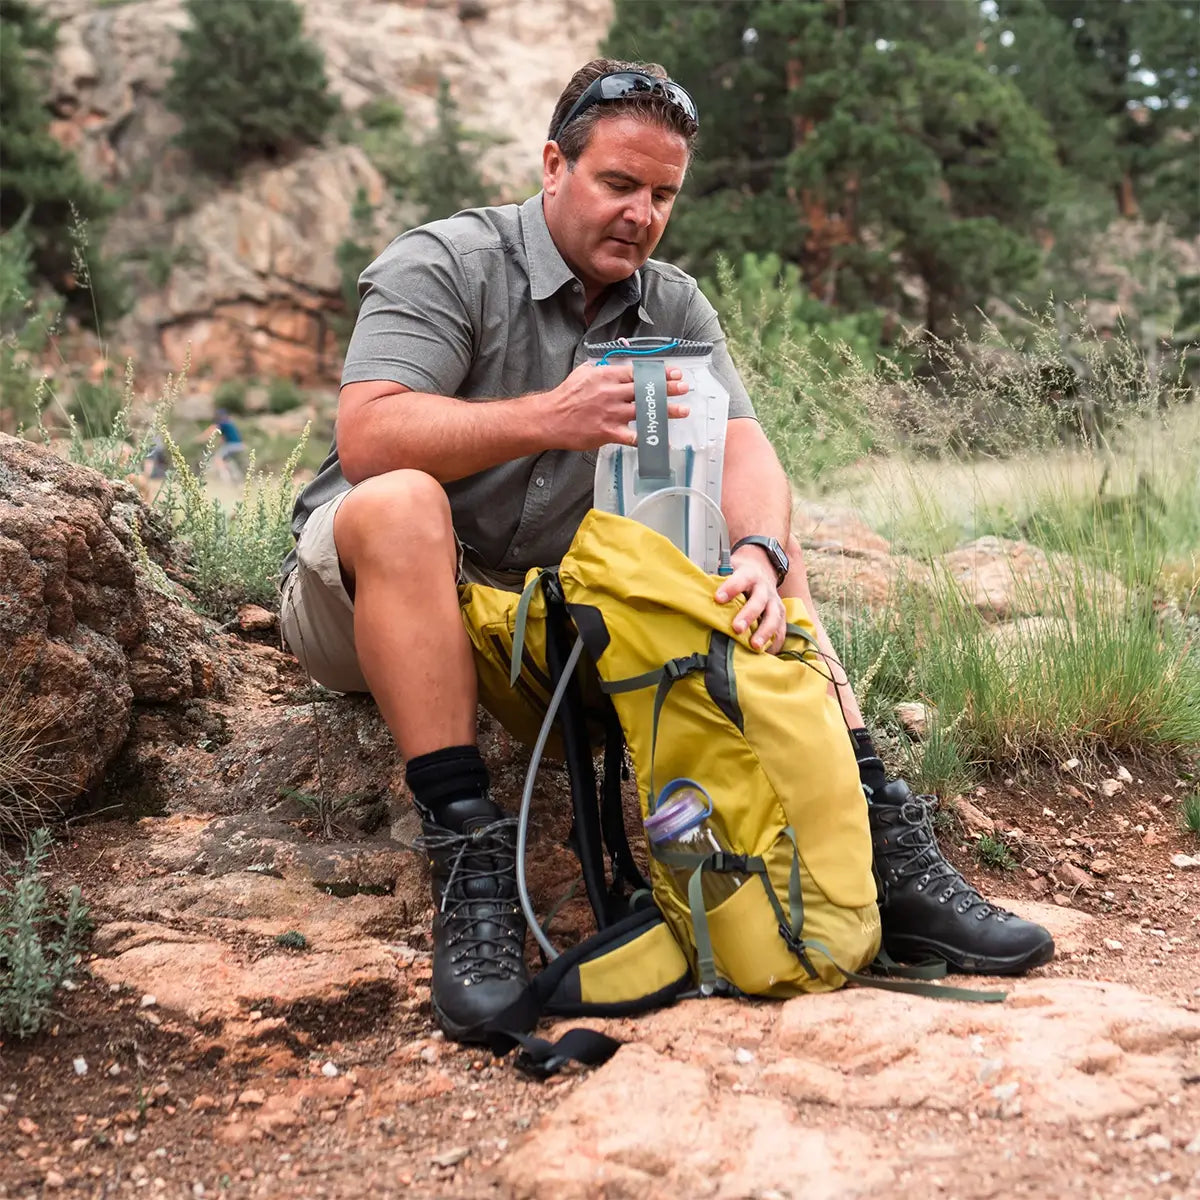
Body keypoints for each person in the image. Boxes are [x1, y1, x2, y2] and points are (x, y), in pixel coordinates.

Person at [279, 59, 1054, 1045]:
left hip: (534, 624)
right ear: (554, 164)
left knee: (765, 533)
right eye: (619, 185)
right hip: (371, 599)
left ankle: (876, 835)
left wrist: (763, 558)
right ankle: (469, 856)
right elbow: (369, 436)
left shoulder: (670, 304)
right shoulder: (447, 262)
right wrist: (547, 418)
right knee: (400, 503)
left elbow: (746, 453)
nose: (642, 214)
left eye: (663, 195)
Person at [200, 408, 246, 483]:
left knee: (218, 459)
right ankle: (237, 476)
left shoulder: (222, 423)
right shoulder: (230, 423)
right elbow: (225, 438)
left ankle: (226, 478)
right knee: (226, 460)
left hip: (232, 445)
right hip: (239, 445)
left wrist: (200, 439)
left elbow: (210, 431)